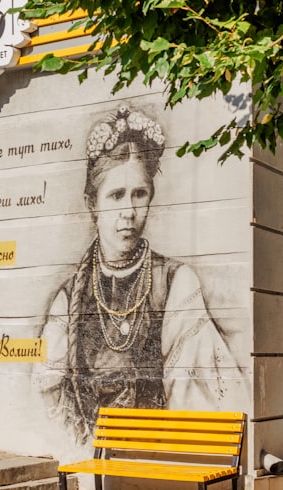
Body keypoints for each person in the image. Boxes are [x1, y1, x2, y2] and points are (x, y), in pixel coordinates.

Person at [39, 106, 236, 444]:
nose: (128, 212)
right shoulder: (69, 298)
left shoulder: (174, 283)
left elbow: (197, 398)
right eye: (116, 195)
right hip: (93, 452)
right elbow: (49, 397)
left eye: (139, 194)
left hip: (158, 447)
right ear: (92, 203)